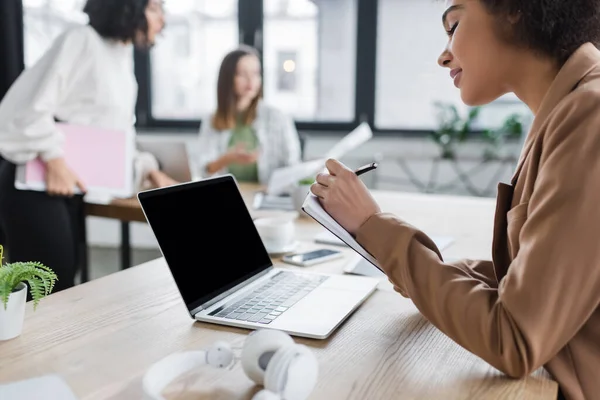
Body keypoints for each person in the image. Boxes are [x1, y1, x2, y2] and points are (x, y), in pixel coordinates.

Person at [311, 1, 600, 399]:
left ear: (514, 9)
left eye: (454, 25)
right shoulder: (570, 108)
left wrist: (371, 226)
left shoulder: (590, 115)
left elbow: (514, 339)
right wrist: (433, 273)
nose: (444, 55)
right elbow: (540, 278)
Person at [0, 0, 177, 293]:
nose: (163, 18)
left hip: (68, 188)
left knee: (66, 286)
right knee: (47, 293)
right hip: (35, 185)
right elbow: (19, 110)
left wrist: (148, 168)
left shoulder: (119, 56)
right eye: (156, 8)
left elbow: (110, 131)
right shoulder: (81, 40)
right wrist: (53, 159)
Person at [196, 45, 301, 185]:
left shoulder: (277, 117)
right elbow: (203, 172)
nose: (251, 80)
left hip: (266, 195)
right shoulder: (212, 120)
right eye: (242, 74)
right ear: (228, 78)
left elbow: (293, 166)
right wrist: (227, 158)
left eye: (255, 73)